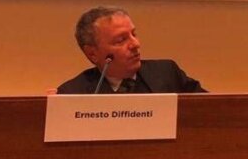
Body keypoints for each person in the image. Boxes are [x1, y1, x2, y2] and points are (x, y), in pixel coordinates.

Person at [57, 6, 206, 94]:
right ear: (92, 53)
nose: (135, 44)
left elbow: (211, 110)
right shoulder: (72, 93)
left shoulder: (167, 73)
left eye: (134, 34)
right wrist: (52, 111)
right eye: (121, 40)